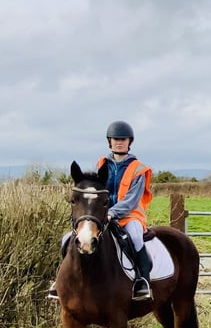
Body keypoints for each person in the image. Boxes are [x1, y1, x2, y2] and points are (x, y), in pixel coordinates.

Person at [47, 120, 154, 301]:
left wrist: (113, 213)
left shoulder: (139, 169)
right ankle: (60, 280)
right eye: (115, 139)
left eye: (123, 139)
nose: (119, 142)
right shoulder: (102, 163)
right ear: (109, 141)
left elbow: (132, 200)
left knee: (135, 236)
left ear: (130, 142)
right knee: (68, 238)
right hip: (101, 214)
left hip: (130, 215)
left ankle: (143, 281)